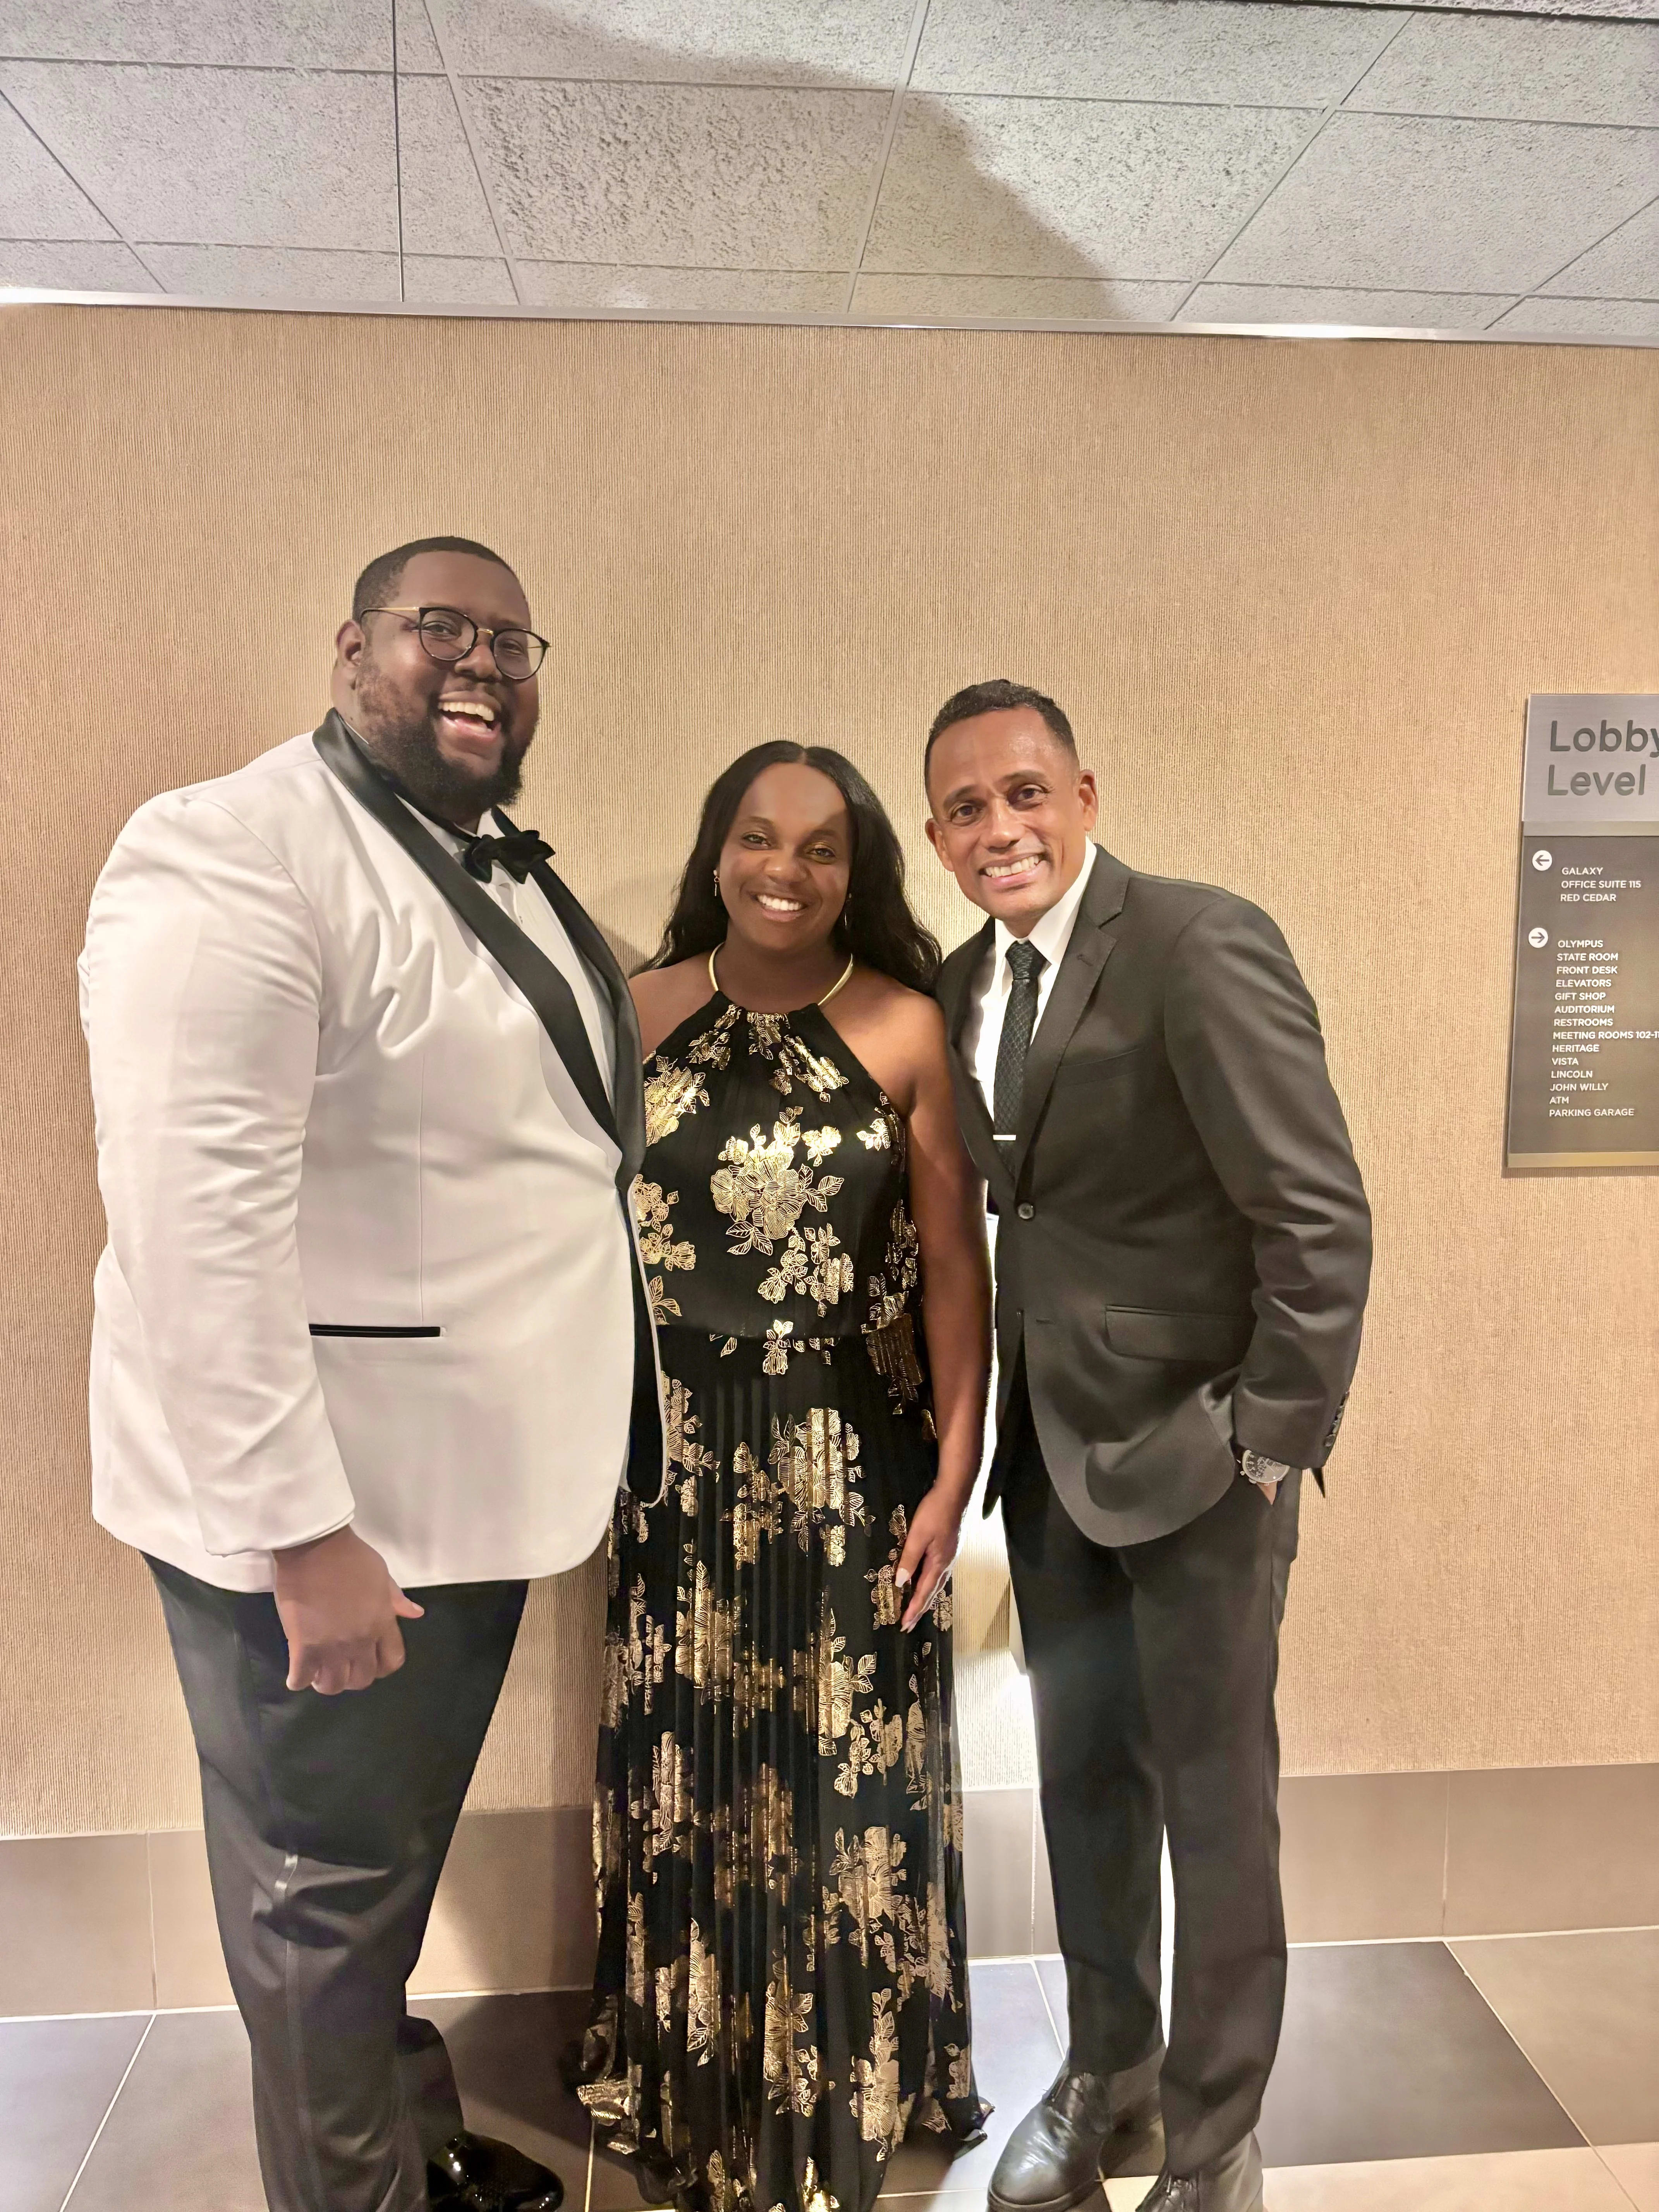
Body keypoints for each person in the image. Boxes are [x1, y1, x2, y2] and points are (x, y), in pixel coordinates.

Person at [80, 536, 660, 2212]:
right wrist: (299, 1533)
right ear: (352, 652)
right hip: (339, 1518)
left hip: (461, 1492)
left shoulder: (486, 860)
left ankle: (409, 2142)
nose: (482, 664)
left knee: (378, 1878)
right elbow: (194, 1225)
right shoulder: (231, 851)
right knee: (322, 1910)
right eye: (439, 630)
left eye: (512, 643)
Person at [922, 681, 1371, 2212]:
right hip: (1052, 1467)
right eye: (967, 809)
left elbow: (1314, 1211)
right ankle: (1108, 2074)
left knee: (1216, 1809)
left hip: (1200, 1463)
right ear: (939, 839)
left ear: (1084, 796)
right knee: (1085, 1785)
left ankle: (1214, 2132)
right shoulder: (962, 983)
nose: (1000, 828)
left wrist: (1271, 1438)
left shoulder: (1195, 942)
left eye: (1023, 793)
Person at [576, 741, 993, 2212]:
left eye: (821, 848)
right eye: (758, 837)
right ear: (716, 852)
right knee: (688, 1774)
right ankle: (687, 2073)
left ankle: (852, 2081)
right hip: (673, 1463)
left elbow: (952, 1268)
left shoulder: (903, 1027)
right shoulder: (634, 1015)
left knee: (843, 1784)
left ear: (855, 873)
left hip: (852, 1459)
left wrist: (955, 1472)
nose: (784, 870)